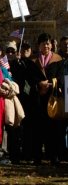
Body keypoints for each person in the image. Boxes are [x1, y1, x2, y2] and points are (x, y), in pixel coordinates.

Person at [31, 33, 63, 165]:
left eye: (48, 43)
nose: (46, 45)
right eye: (43, 43)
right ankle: (37, 156)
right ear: (39, 45)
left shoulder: (57, 59)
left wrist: (51, 84)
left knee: (53, 128)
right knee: (38, 128)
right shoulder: (33, 60)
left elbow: (60, 76)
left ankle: (53, 156)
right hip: (38, 98)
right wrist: (38, 84)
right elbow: (30, 78)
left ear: (52, 45)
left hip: (52, 97)